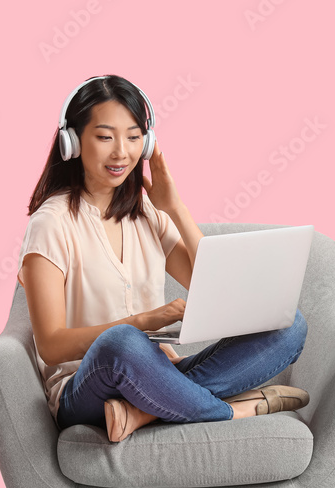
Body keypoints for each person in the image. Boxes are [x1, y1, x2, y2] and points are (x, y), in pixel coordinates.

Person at [17, 74, 310, 443]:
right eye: (105, 136)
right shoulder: (51, 223)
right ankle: (234, 410)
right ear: (72, 142)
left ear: (148, 141)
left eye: (134, 136)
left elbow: (218, 289)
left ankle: (143, 412)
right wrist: (142, 323)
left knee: (287, 324)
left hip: (154, 375)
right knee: (122, 342)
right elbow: (51, 345)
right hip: (85, 386)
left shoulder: (147, 212)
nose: (122, 152)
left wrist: (174, 206)